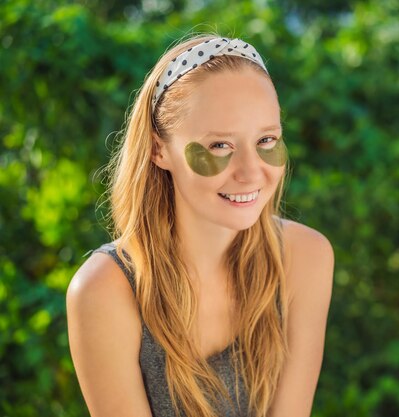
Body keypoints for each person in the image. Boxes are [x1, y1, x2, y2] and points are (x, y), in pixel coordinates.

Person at [66, 33, 334, 417]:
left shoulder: (306, 258)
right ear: (159, 149)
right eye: (219, 145)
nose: (250, 172)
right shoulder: (105, 290)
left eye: (266, 139)